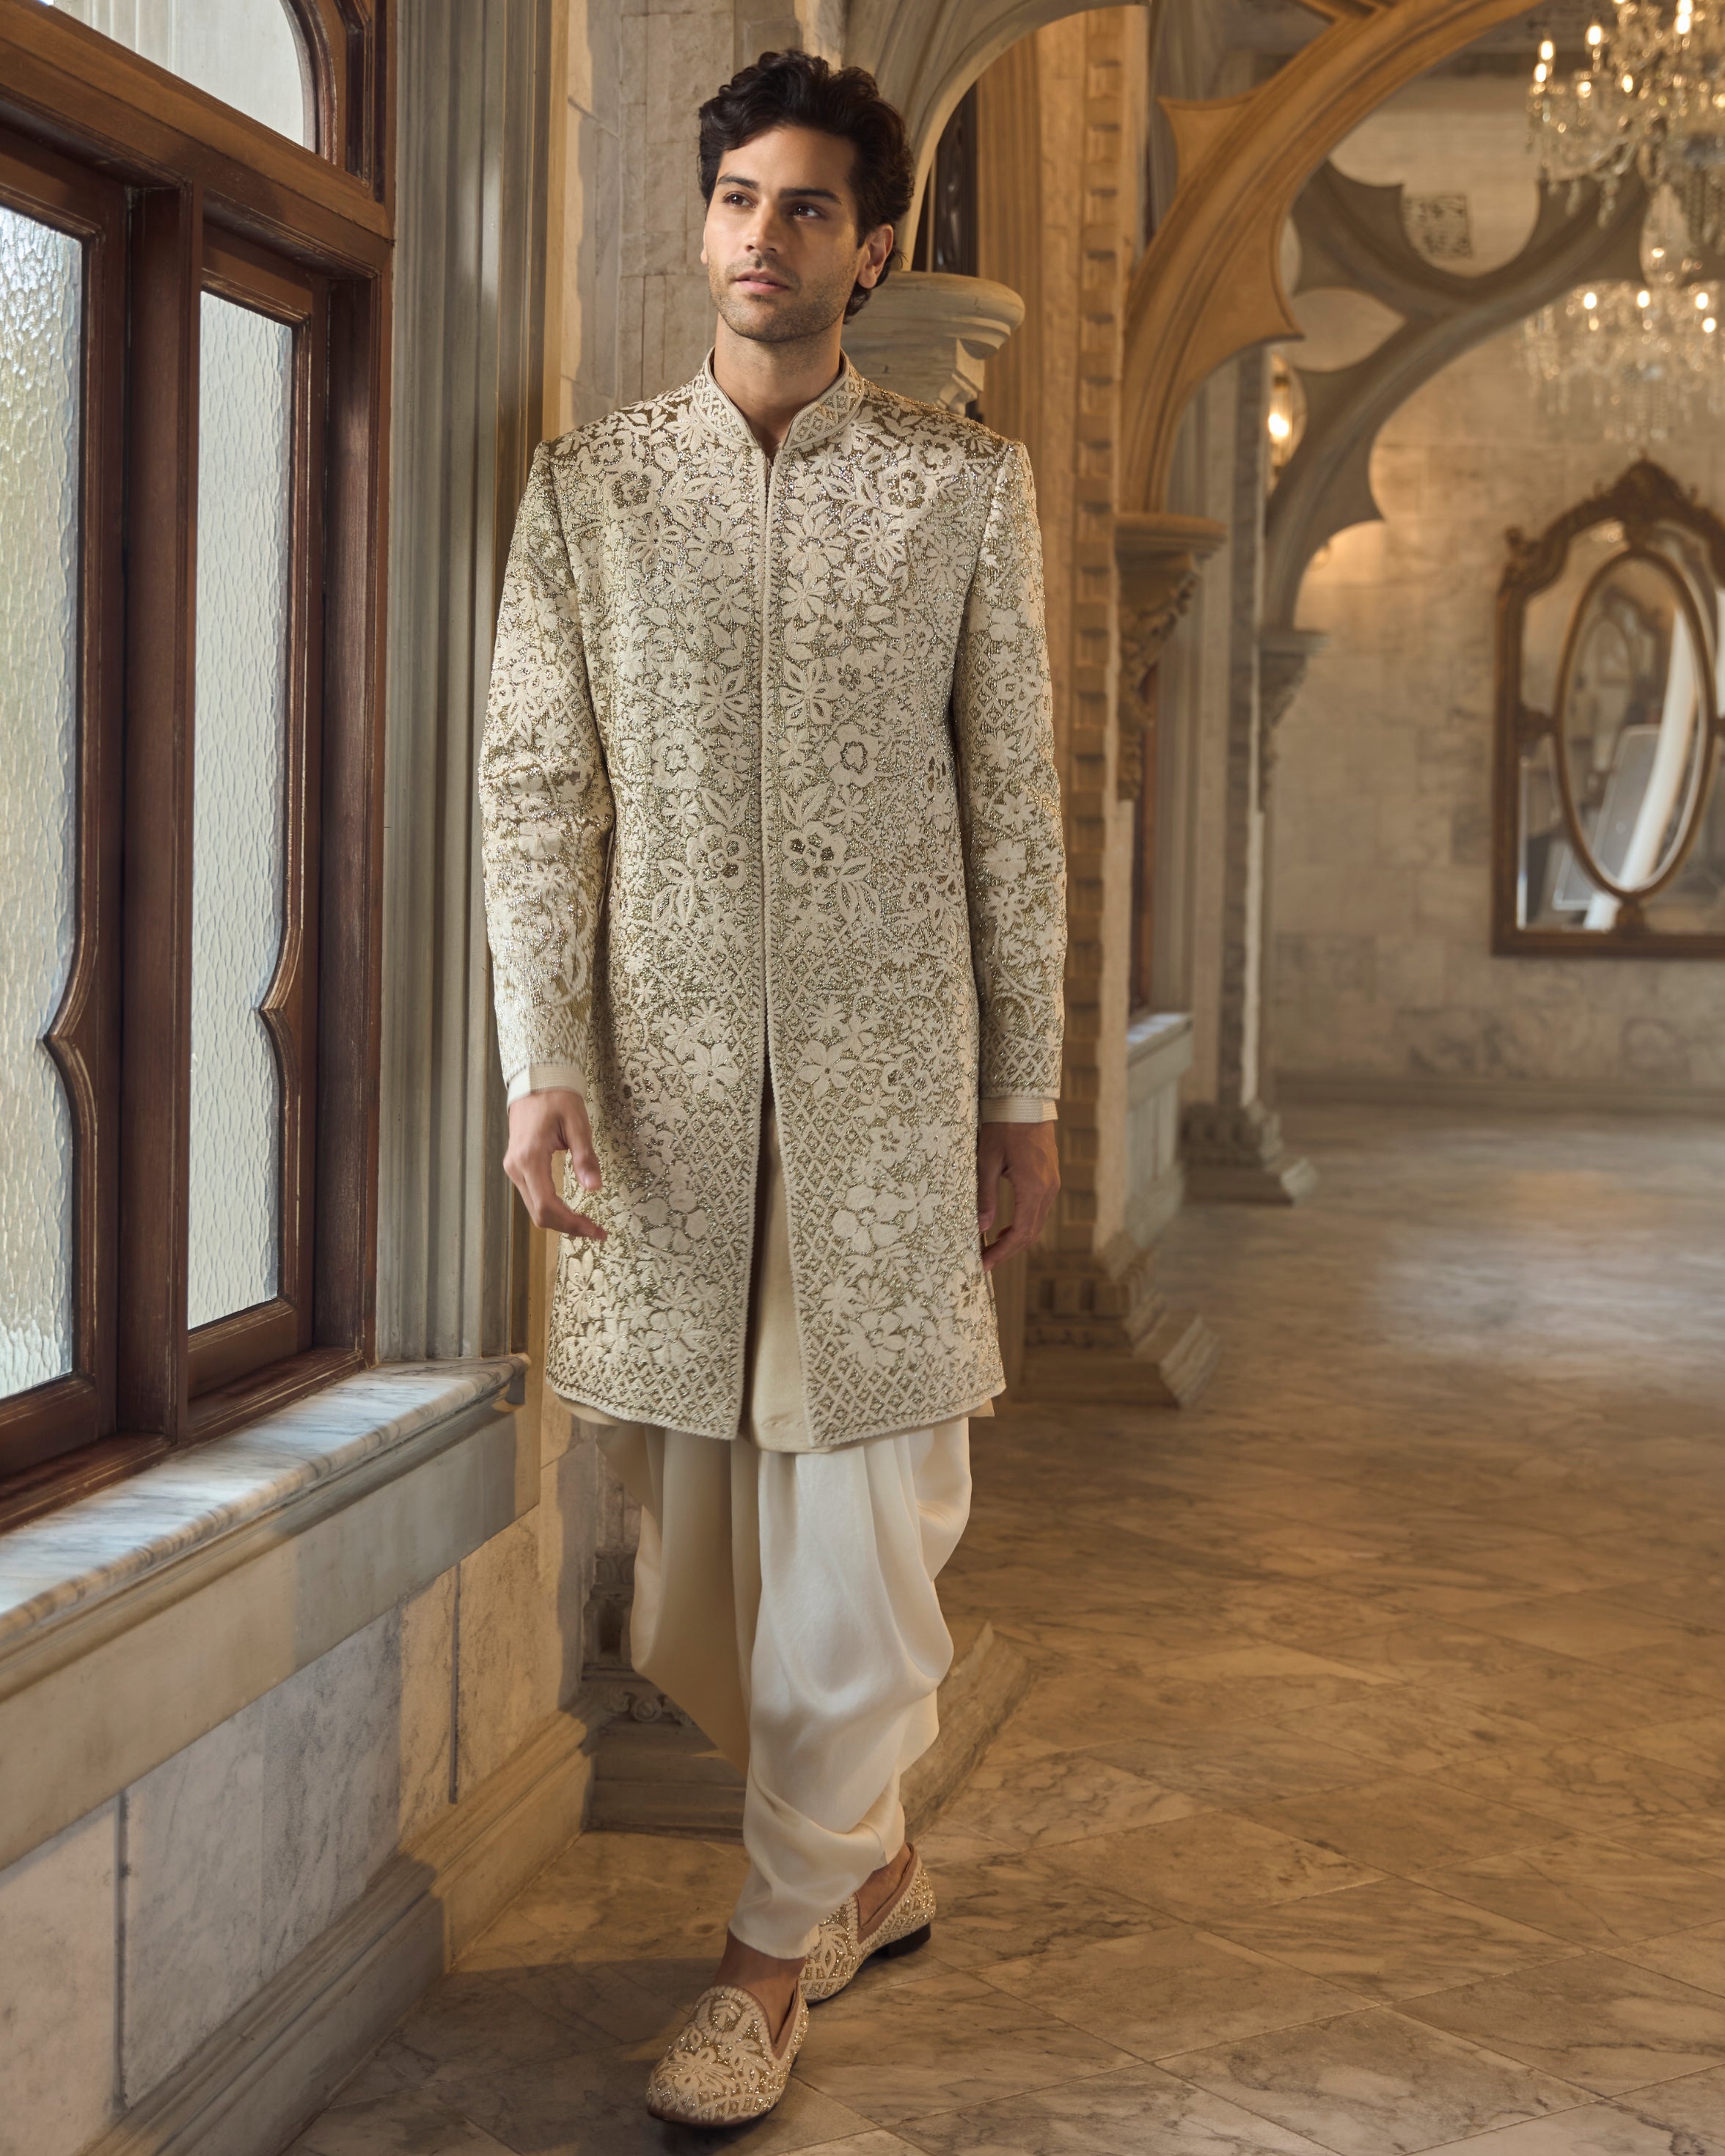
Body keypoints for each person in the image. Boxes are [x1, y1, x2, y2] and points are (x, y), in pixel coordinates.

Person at [479, 48, 1065, 2128]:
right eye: (739, 199)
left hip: (892, 1096)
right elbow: (536, 793)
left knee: (864, 1531)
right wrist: (545, 1055)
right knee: (713, 1568)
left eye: (809, 207)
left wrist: (1026, 1090)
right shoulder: (592, 490)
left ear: (869, 249)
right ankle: (868, 1868)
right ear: (701, 218)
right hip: (674, 1101)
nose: (765, 238)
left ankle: (762, 1967)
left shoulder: (959, 491)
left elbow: (1012, 808)